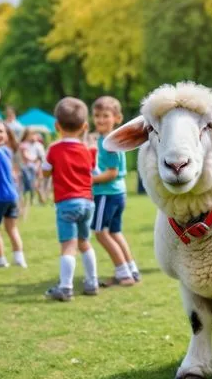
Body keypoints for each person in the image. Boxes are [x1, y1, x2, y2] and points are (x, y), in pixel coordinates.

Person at [42, 97, 98, 301]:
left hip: (66, 203)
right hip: (87, 202)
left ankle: (65, 287)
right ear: (84, 126)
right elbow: (93, 171)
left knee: (68, 246)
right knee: (85, 242)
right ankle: (92, 282)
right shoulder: (88, 150)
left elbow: (45, 172)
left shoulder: (54, 149)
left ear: (57, 126)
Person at [91, 96, 140, 286]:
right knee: (114, 232)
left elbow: (112, 173)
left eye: (105, 116)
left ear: (117, 118)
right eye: (97, 116)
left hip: (106, 194)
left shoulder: (109, 144)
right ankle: (132, 270)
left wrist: (88, 180)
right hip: (117, 194)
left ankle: (124, 274)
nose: (100, 120)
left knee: (100, 232)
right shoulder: (109, 140)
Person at [0, 120, 27, 268]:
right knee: (11, 228)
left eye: (1, 131)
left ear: (7, 136)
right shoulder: (7, 151)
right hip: (12, 196)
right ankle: (19, 258)